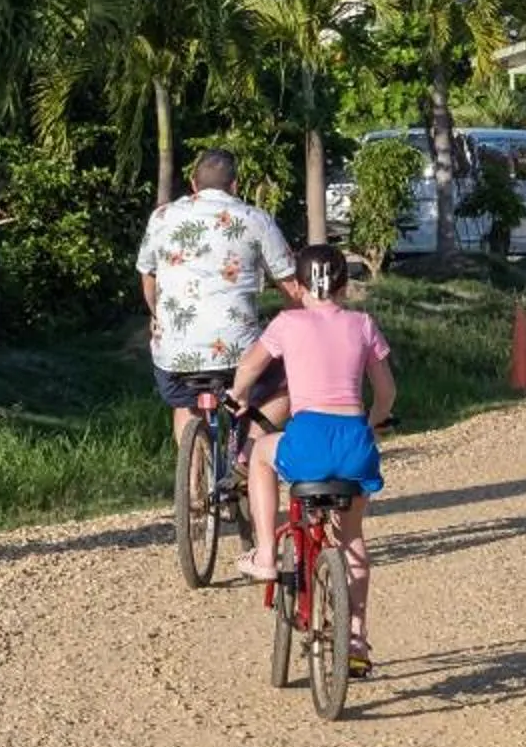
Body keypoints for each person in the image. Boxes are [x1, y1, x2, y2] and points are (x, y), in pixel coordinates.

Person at [225, 243, 395, 675]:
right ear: (345, 285)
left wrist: (237, 396)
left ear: (299, 286)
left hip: (307, 438)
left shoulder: (287, 323)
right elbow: (388, 392)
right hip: (354, 443)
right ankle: (355, 637)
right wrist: (374, 423)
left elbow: (249, 368)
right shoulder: (362, 324)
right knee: (352, 538)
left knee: (261, 456)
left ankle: (265, 553)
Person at [136, 148, 307, 451]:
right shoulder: (255, 219)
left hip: (175, 354)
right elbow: (290, 286)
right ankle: (246, 454)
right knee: (289, 383)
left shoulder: (162, 217)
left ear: (193, 183)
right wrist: (294, 322)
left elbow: (148, 277)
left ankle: (191, 485)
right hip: (238, 351)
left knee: (186, 404)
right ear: (235, 185)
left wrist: (157, 316)